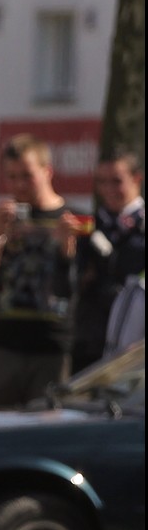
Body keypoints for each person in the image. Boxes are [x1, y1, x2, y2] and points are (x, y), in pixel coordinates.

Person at [0, 133, 91, 407]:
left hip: (53, 347)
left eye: (27, 175)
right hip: (2, 345)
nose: (19, 184)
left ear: (47, 171)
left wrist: (65, 251)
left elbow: (83, 287)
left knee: (46, 432)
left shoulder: (74, 219)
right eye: (12, 177)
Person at [72, 148, 145, 371]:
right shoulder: (88, 227)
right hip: (90, 341)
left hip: (135, 344)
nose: (109, 190)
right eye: (102, 182)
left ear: (137, 179)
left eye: (117, 181)